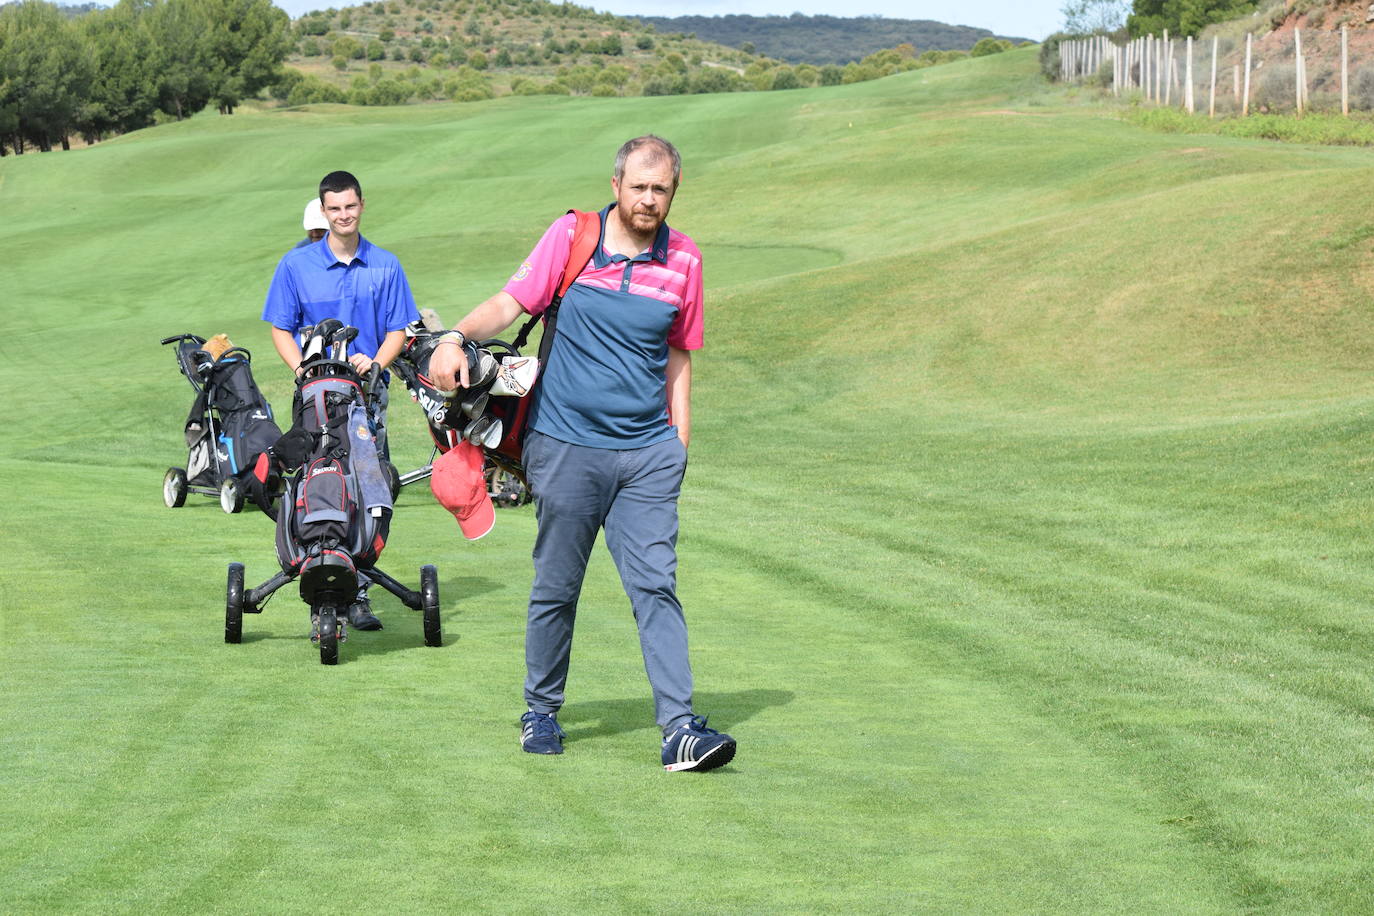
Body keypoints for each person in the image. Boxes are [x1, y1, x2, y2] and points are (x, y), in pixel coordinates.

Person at [428, 135, 736, 772]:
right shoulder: (574, 237)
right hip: (566, 446)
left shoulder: (685, 260)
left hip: (647, 454)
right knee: (558, 586)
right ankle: (541, 709)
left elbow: (680, 355)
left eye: (662, 190)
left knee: (656, 585)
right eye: (639, 188)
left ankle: (679, 727)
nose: (649, 200)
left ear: (674, 191)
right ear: (617, 185)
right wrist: (456, 336)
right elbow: (513, 302)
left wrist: (679, 444)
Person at [261, 170, 421, 631]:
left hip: (367, 395)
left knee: (372, 490)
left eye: (350, 207)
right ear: (324, 211)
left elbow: (397, 330)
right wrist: (299, 369)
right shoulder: (297, 266)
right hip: (316, 399)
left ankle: (360, 594)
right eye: (335, 209)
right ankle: (321, 598)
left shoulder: (385, 265)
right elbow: (280, 327)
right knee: (319, 486)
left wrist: (377, 361)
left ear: (361, 206)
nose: (343, 215)